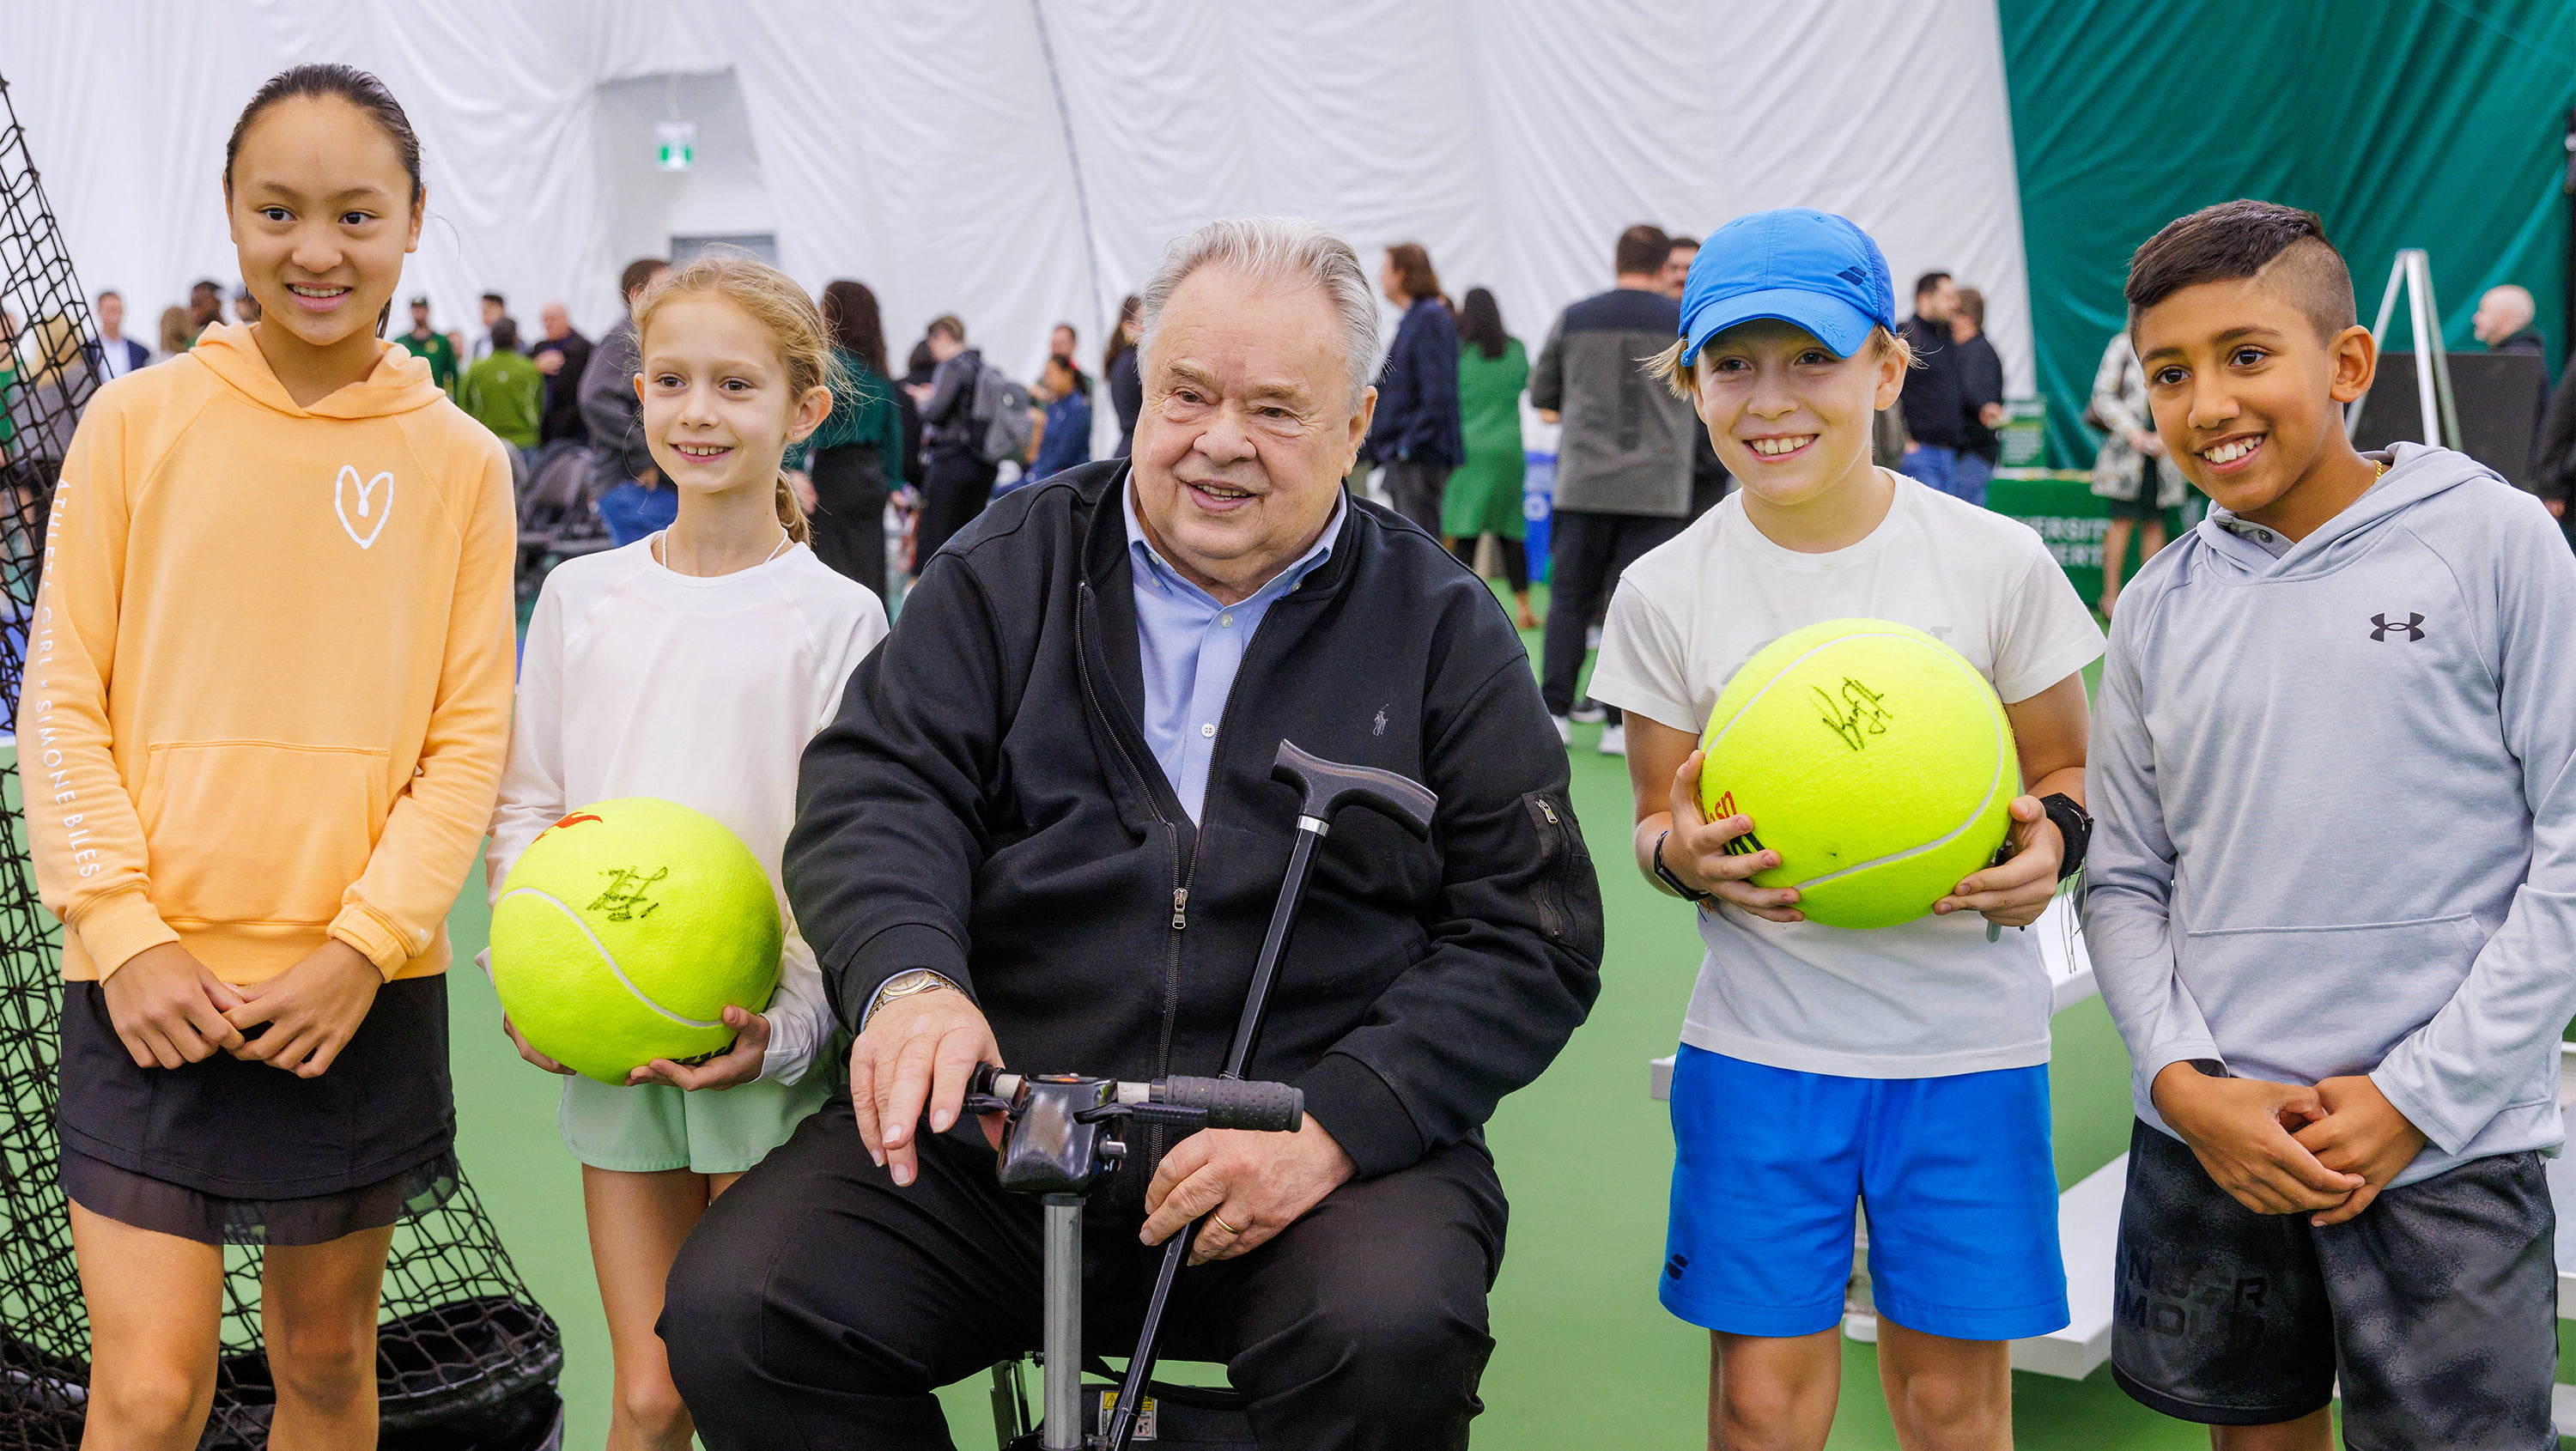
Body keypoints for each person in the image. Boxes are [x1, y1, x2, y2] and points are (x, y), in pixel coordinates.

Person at [659, 215, 1602, 1450]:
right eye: (1187, 393)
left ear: (1358, 426)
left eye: (1275, 409)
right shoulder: (1008, 563)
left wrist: (1339, 1122)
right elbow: (880, 790)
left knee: (1391, 1332)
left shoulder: (1445, 626)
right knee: (747, 1311)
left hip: (1306, 1150)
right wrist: (909, 978)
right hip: (999, 1131)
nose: (1221, 441)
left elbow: (1526, 932)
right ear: (1140, 392)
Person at [21, 64, 516, 1450]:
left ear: (413, 222)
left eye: (356, 215)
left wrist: (361, 946)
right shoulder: (132, 423)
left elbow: (467, 737)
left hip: (351, 999)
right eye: (278, 211)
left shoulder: (465, 466)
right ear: (232, 216)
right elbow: (60, 695)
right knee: (151, 1389)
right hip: (142, 990)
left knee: (323, 1367)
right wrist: (121, 929)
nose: (316, 251)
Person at [1593, 205, 2098, 1451]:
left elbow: (2066, 768)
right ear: (1692, 383)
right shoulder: (1664, 590)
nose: (1771, 399)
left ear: (1884, 366)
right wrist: (1683, 860)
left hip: (1966, 1052)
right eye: (1732, 364)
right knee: (1761, 1410)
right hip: (1764, 1050)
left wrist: (2054, 851)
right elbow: (1661, 820)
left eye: (1810, 358)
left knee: (1951, 1406)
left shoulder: (1997, 560)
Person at [2088, 197, 2576, 1450]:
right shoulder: (2154, 608)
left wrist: (2419, 1093)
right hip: (2215, 1140)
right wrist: (2187, 1087)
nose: (2209, 406)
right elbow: (2127, 880)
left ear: (2348, 364)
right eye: (2171, 373)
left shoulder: (2496, 541)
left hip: (2447, 1147)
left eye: (2248, 357)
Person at [488, 252, 886, 1451]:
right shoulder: (578, 597)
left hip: (762, 1060)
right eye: (670, 381)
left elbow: (849, 857)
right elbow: (528, 807)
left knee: (749, 1386)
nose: (697, 414)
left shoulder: (842, 619)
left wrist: (793, 1027)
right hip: (613, 1055)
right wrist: (533, 965)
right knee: (651, 1396)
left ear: (804, 411)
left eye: (734, 385)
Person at [1531, 222, 1696, 757]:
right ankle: (1617, 723)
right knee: (1639, 608)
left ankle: (1553, 708)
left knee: (1570, 600)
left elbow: (1542, 392)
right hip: (1658, 487)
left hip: (1584, 482)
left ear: (1617, 258)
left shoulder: (1575, 317)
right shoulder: (1685, 323)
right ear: (1661, 264)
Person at [805, 278, 906, 598]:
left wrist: (792, 467)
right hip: (871, 476)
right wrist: (892, 483)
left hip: (835, 474)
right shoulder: (878, 370)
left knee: (833, 566)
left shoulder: (829, 366)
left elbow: (804, 419)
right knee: (871, 565)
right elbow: (894, 436)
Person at [1446, 286, 1536, 628]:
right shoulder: (1517, 351)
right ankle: (1525, 608)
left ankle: (1459, 611)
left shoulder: (1457, 353)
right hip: (1509, 449)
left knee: (1464, 531)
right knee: (1512, 532)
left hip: (1468, 451)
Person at [1363, 242, 1465, 535]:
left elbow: (1437, 394)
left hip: (1420, 456)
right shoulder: (1417, 319)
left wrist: (1406, 447)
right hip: (1408, 454)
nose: (1380, 278)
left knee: (1420, 539)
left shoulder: (1429, 318)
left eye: (1385, 270)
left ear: (1402, 274)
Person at [2087, 331, 2186, 615]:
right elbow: (2103, 396)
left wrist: (2165, 438)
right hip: (2126, 454)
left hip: (2164, 454)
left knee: (2154, 521)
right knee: (2122, 519)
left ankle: (2150, 599)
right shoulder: (2120, 345)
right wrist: (2134, 432)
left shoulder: (2173, 341)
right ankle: (2111, 598)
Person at [581, 257, 676, 546]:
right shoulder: (627, 337)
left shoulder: (649, 337)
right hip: (633, 485)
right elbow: (596, 398)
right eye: (666, 287)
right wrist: (644, 456)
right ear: (637, 295)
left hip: (641, 485)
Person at [909, 313, 997, 562]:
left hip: (951, 461)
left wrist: (924, 400)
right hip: (981, 463)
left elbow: (935, 413)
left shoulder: (952, 367)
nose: (933, 351)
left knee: (937, 536)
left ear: (944, 336)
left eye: (933, 344)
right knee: (970, 538)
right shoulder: (983, 366)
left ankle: (933, 596)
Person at [1662, 235, 1734, 518]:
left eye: (1688, 269)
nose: (1681, 276)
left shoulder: (1722, 324)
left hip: (1706, 465)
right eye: (1674, 267)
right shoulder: (1644, 330)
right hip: (1657, 472)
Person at [1949, 287, 2005, 507]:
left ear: (1967, 317)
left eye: (1954, 312)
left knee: (1962, 520)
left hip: (1973, 453)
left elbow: (1976, 397)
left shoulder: (1980, 353)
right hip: (1964, 453)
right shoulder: (1963, 350)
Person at [458, 316, 543, 453]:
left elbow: (463, 405)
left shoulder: (475, 370)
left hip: (486, 441)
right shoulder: (529, 369)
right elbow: (540, 405)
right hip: (524, 441)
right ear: (515, 338)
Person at [527, 301, 593, 452]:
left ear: (565, 319)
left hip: (574, 427)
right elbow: (522, 375)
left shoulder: (584, 348)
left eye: (552, 319)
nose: (547, 325)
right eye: (544, 320)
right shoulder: (539, 348)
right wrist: (535, 367)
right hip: (544, 427)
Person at [1027, 352, 1091, 483]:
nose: (1046, 381)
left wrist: (1036, 474)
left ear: (1067, 374)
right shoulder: (1054, 406)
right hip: (1044, 473)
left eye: (1050, 374)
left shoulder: (1077, 408)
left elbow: (1064, 456)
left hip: (1065, 479)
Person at [1105, 292, 1144, 457]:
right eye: (1143, 322)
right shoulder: (1133, 363)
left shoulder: (1121, 359)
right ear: (1127, 326)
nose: (1147, 328)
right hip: (1135, 447)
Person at [399, 294, 459, 393]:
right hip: (408, 398)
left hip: (434, 397)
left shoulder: (442, 342)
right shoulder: (401, 343)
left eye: (421, 308)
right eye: (415, 309)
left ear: (428, 311)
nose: (418, 312)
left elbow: (453, 374)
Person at [90, 291, 149, 379]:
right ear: (99, 312)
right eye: (109, 310)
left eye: (117, 310)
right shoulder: (88, 351)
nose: (114, 316)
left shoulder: (140, 352)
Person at [2472, 283, 2543, 352]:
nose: (2475, 318)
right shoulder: (2521, 353)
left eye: (2483, 311)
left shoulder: (2519, 357)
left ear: (2505, 315)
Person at [184, 279, 224, 348]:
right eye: (192, 305)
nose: (194, 311)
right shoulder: (193, 343)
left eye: (198, 304)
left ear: (217, 302)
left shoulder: (230, 337)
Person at [469, 291, 507, 361]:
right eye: (483, 312)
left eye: (490, 311)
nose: (486, 316)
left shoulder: (516, 343)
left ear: (502, 311)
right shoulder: (479, 344)